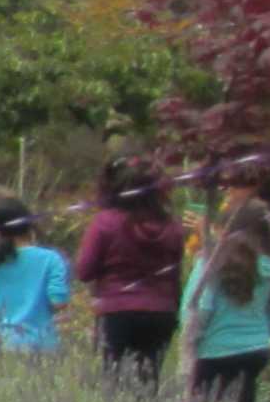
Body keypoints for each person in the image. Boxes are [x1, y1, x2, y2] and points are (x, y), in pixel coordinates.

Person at [69, 156, 187, 384]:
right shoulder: (172, 227)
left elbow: (84, 271)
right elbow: (175, 270)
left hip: (117, 310)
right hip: (161, 311)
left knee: (114, 384)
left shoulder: (106, 222)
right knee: (147, 382)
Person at [181, 198, 270, 402]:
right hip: (256, 349)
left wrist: (192, 340)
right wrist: (267, 335)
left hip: (215, 351)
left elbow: (199, 307)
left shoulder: (211, 263)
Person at [0, 192, 72, 354]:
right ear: (29, 224)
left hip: (1, 343)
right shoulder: (51, 259)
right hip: (43, 344)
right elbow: (58, 301)